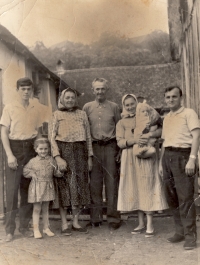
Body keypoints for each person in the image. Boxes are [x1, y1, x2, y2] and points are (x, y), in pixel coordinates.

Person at [116, 94, 168, 237]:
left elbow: (160, 131)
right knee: (136, 188)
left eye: (132, 104)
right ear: (123, 106)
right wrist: (134, 140)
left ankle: (150, 224)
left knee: (147, 187)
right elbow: (120, 142)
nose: (130, 107)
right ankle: (140, 223)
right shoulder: (121, 122)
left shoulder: (145, 115)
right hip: (130, 157)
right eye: (127, 105)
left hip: (146, 156)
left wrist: (148, 135)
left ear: (136, 103)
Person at [0, 77, 43, 242]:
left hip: (31, 149)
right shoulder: (9, 108)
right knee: (12, 191)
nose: (26, 92)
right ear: (17, 90)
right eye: (23, 89)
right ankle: (10, 230)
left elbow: (38, 131)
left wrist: (39, 153)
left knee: (28, 190)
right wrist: (9, 154)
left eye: (28, 89)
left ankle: (24, 227)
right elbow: (3, 132)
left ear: (31, 90)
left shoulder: (35, 107)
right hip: (15, 148)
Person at [159, 86, 200, 250]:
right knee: (172, 198)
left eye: (174, 97)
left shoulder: (189, 113)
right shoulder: (167, 117)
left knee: (185, 198)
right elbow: (164, 142)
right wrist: (161, 164)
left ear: (180, 98)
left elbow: (196, 136)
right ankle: (180, 232)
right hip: (167, 158)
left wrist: (192, 159)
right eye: (167, 97)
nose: (170, 100)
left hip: (183, 157)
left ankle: (191, 237)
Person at [48, 87, 93, 235]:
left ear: (76, 99)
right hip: (63, 152)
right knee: (64, 189)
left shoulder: (82, 114)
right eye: (67, 97)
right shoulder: (56, 114)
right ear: (62, 99)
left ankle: (75, 222)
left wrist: (90, 157)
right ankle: (64, 223)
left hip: (80, 153)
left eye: (72, 98)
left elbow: (88, 137)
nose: (70, 100)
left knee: (78, 187)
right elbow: (51, 138)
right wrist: (57, 157)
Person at [83, 78, 121, 230]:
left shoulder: (114, 107)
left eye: (102, 89)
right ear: (93, 90)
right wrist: (88, 154)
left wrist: (119, 151)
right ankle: (96, 217)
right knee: (95, 184)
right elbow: (85, 130)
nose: (100, 91)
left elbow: (120, 128)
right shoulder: (87, 107)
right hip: (94, 148)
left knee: (111, 183)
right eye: (97, 89)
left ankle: (113, 218)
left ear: (107, 90)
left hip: (110, 146)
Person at [23, 138, 63, 239]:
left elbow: (55, 172)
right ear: (36, 149)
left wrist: (60, 172)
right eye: (41, 149)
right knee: (37, 208)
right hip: (37, 187)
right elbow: (25, 171)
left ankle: (46, 228)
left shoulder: (51, 160)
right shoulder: (33, 161)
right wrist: (32, 173)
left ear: (49, 149)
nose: (43, 151)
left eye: (45, 149)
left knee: (45, 208)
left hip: (48, 186)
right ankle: (36, 229)